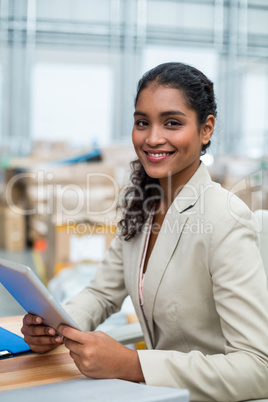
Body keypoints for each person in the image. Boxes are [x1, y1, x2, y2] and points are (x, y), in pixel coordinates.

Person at [21, 62, 268, 401]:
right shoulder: (143, 204)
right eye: (142, 122)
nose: (152, 137)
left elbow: (257, 367)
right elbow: (101, 293)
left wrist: (133, 364)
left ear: (206, 129)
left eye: (172, 123)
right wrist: (55, 328)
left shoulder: (225, 218)